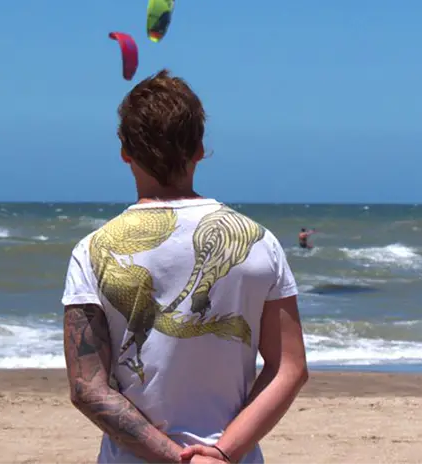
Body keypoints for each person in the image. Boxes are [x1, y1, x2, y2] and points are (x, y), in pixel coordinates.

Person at [62, 70, 309, 464]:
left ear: (125, 150)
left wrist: (176, 457)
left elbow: (86, 387)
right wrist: (220, 453)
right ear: (199, 148)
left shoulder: (94, 250)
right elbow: (289, 368)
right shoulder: (258, 242)